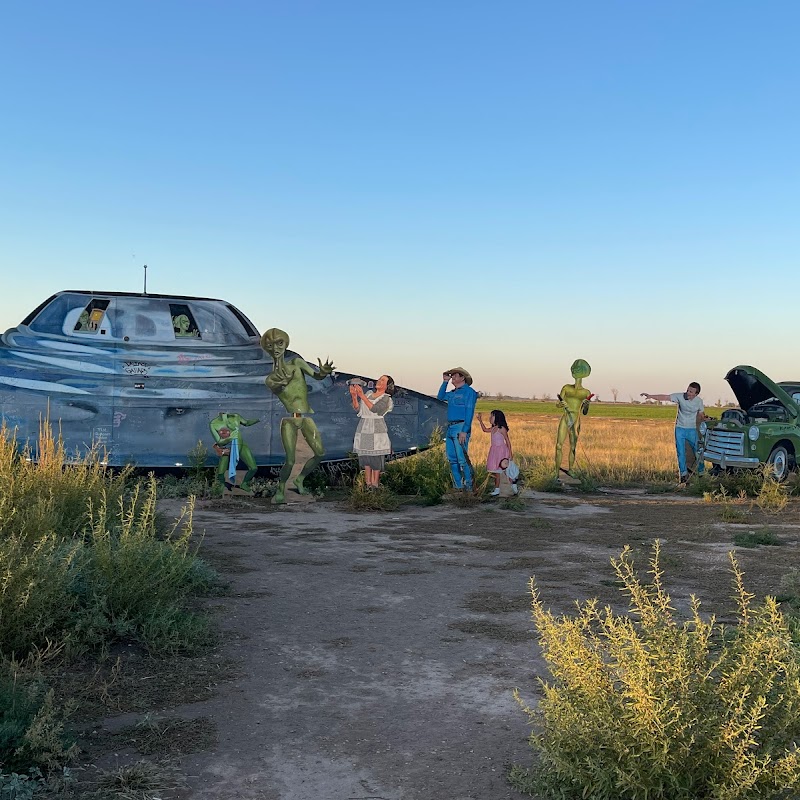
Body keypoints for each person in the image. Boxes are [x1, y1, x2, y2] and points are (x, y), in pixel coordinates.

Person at [261, 327, 335, 504]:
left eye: (279, 343)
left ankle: (299, 479)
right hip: (289, 419)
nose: (276, 348)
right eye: (271, 345)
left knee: (320, 453)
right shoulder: (271, 378)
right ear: (267, 348)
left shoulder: (297, 363)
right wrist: (281, 384)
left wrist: (323, 372)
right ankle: (280, 490)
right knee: (290, 459)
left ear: (285, 344)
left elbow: (316, 376)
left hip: (306, 417)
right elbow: (276, 387)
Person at [641, 382, 710, 484]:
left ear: (696, 394)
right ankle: (683, 476)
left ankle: (701, 473)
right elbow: (665, 397)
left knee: (698, 451)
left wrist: (706, 419)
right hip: (680, 429)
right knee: (681, 452)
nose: (688, 393)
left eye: (691, 391)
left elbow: (701, 414)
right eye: (687, 390)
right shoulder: (679, 396)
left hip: (691, 430)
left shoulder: (699, 402)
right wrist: (650, 396)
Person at [349, 375, 396, 488]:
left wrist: (361, 395)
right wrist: (354, 396)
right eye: (379, 379)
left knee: (376, 457)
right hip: (364, 428)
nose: (379, 381)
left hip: (377, 429)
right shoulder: (369, 393)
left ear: (387, 385)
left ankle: (375, 485)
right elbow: (358, 409)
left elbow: (375, 409)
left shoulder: (386, 398)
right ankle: (367, 484)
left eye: (383, 380)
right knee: (366, 457)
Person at [437, 367, 479, 490]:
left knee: (462, 459)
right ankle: (458, 487)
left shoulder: (469, 392)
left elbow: (469, 411)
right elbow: (440, 397)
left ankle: (469, 487)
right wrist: (445, 382)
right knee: (452, 459)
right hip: (450, 427)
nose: (453, 378)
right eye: (452, 376)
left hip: (461, 427)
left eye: (455, 376)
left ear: (462, 378)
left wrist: (464, 430)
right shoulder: (452, 393)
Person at [555, 359, 593, 476]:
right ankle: (556, 472)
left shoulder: (586, 392)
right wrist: (561, 404)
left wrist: (586, 405)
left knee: (573, 446)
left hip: (576, 419)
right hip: (566, 417)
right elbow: (558, 404)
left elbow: (585, 412)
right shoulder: (566, 388)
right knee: (558, 445)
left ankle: (571, 469)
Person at [209, 412, 260, 492]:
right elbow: (219, 441)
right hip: (227, 448)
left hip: (240, 445)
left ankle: (244, 483)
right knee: (221, 472)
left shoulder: (236, 416)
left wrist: (259, 419)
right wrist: (230, 438)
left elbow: (246, 423)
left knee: (253, 468)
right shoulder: (214, 423)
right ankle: (222, 485)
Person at [477, 409, 512, 496]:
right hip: (494, 451)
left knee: (504, 469)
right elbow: (485, 430)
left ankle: (511, 487)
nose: (490, 418)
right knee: (495, 469)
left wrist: (510, 453)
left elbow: (508, 441)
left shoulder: (501, 429)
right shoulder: (493, 428)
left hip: (501, 451)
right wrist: (480, 420)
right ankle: (497, 489)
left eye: (492, 416)